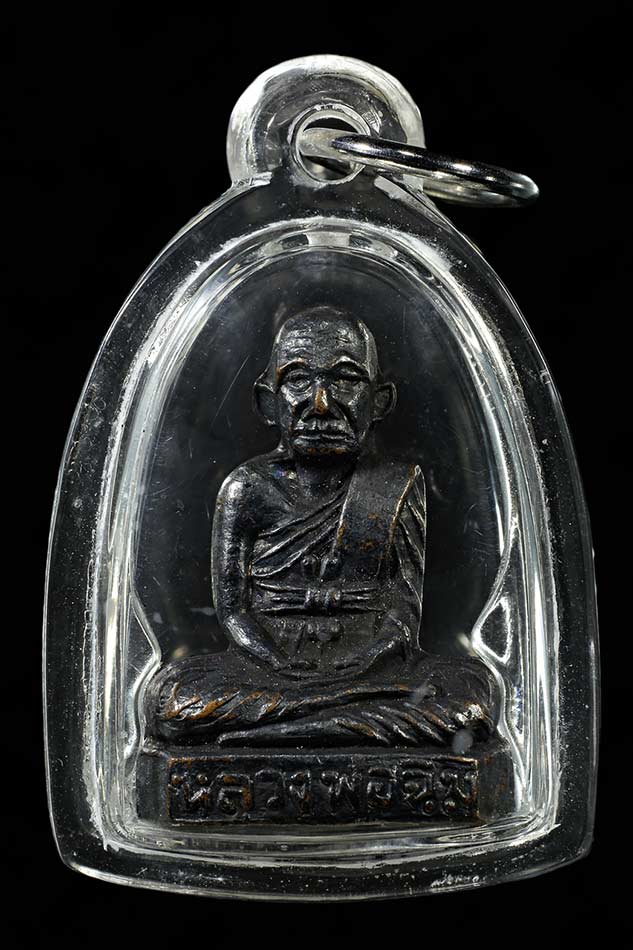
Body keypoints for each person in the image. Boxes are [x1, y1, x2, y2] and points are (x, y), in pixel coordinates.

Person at [148, 306, 497, 747]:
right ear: (268, 401)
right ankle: (338, 722)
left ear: (380, 401)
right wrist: (275, 662)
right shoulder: (246, 488)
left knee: (470, 695)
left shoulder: (396, 484)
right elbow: (233, 611)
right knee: (174, 700)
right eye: (298, 380)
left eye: (346, 380)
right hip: (270, 669)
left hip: (372, 672)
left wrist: (369, 661)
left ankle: (287, 730)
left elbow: (403, 612)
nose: (320, 404)